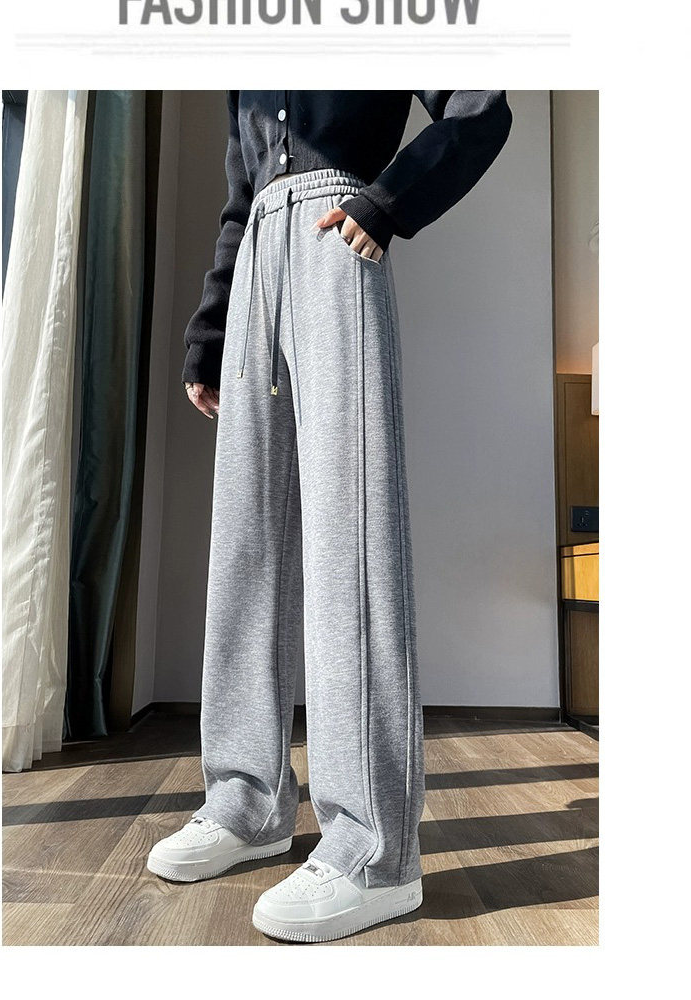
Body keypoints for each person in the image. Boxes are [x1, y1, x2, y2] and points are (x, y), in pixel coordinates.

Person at [147, 92, 512, 943]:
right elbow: (240, 194)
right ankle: (245, 803)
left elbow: (480, 106)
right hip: (257, 262)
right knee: (246, 545)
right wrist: (210, 330)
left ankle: (374, 850)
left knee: (352, 538)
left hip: (334, 242)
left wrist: (386, 203)